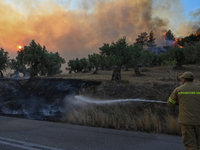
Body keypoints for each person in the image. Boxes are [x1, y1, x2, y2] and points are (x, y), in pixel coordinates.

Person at [167, 71, 200, 150]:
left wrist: (178, 103)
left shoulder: (178, 90)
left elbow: (170, 103)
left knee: (190, 144)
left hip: (186, 121)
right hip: (198, 120)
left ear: (184, 79)